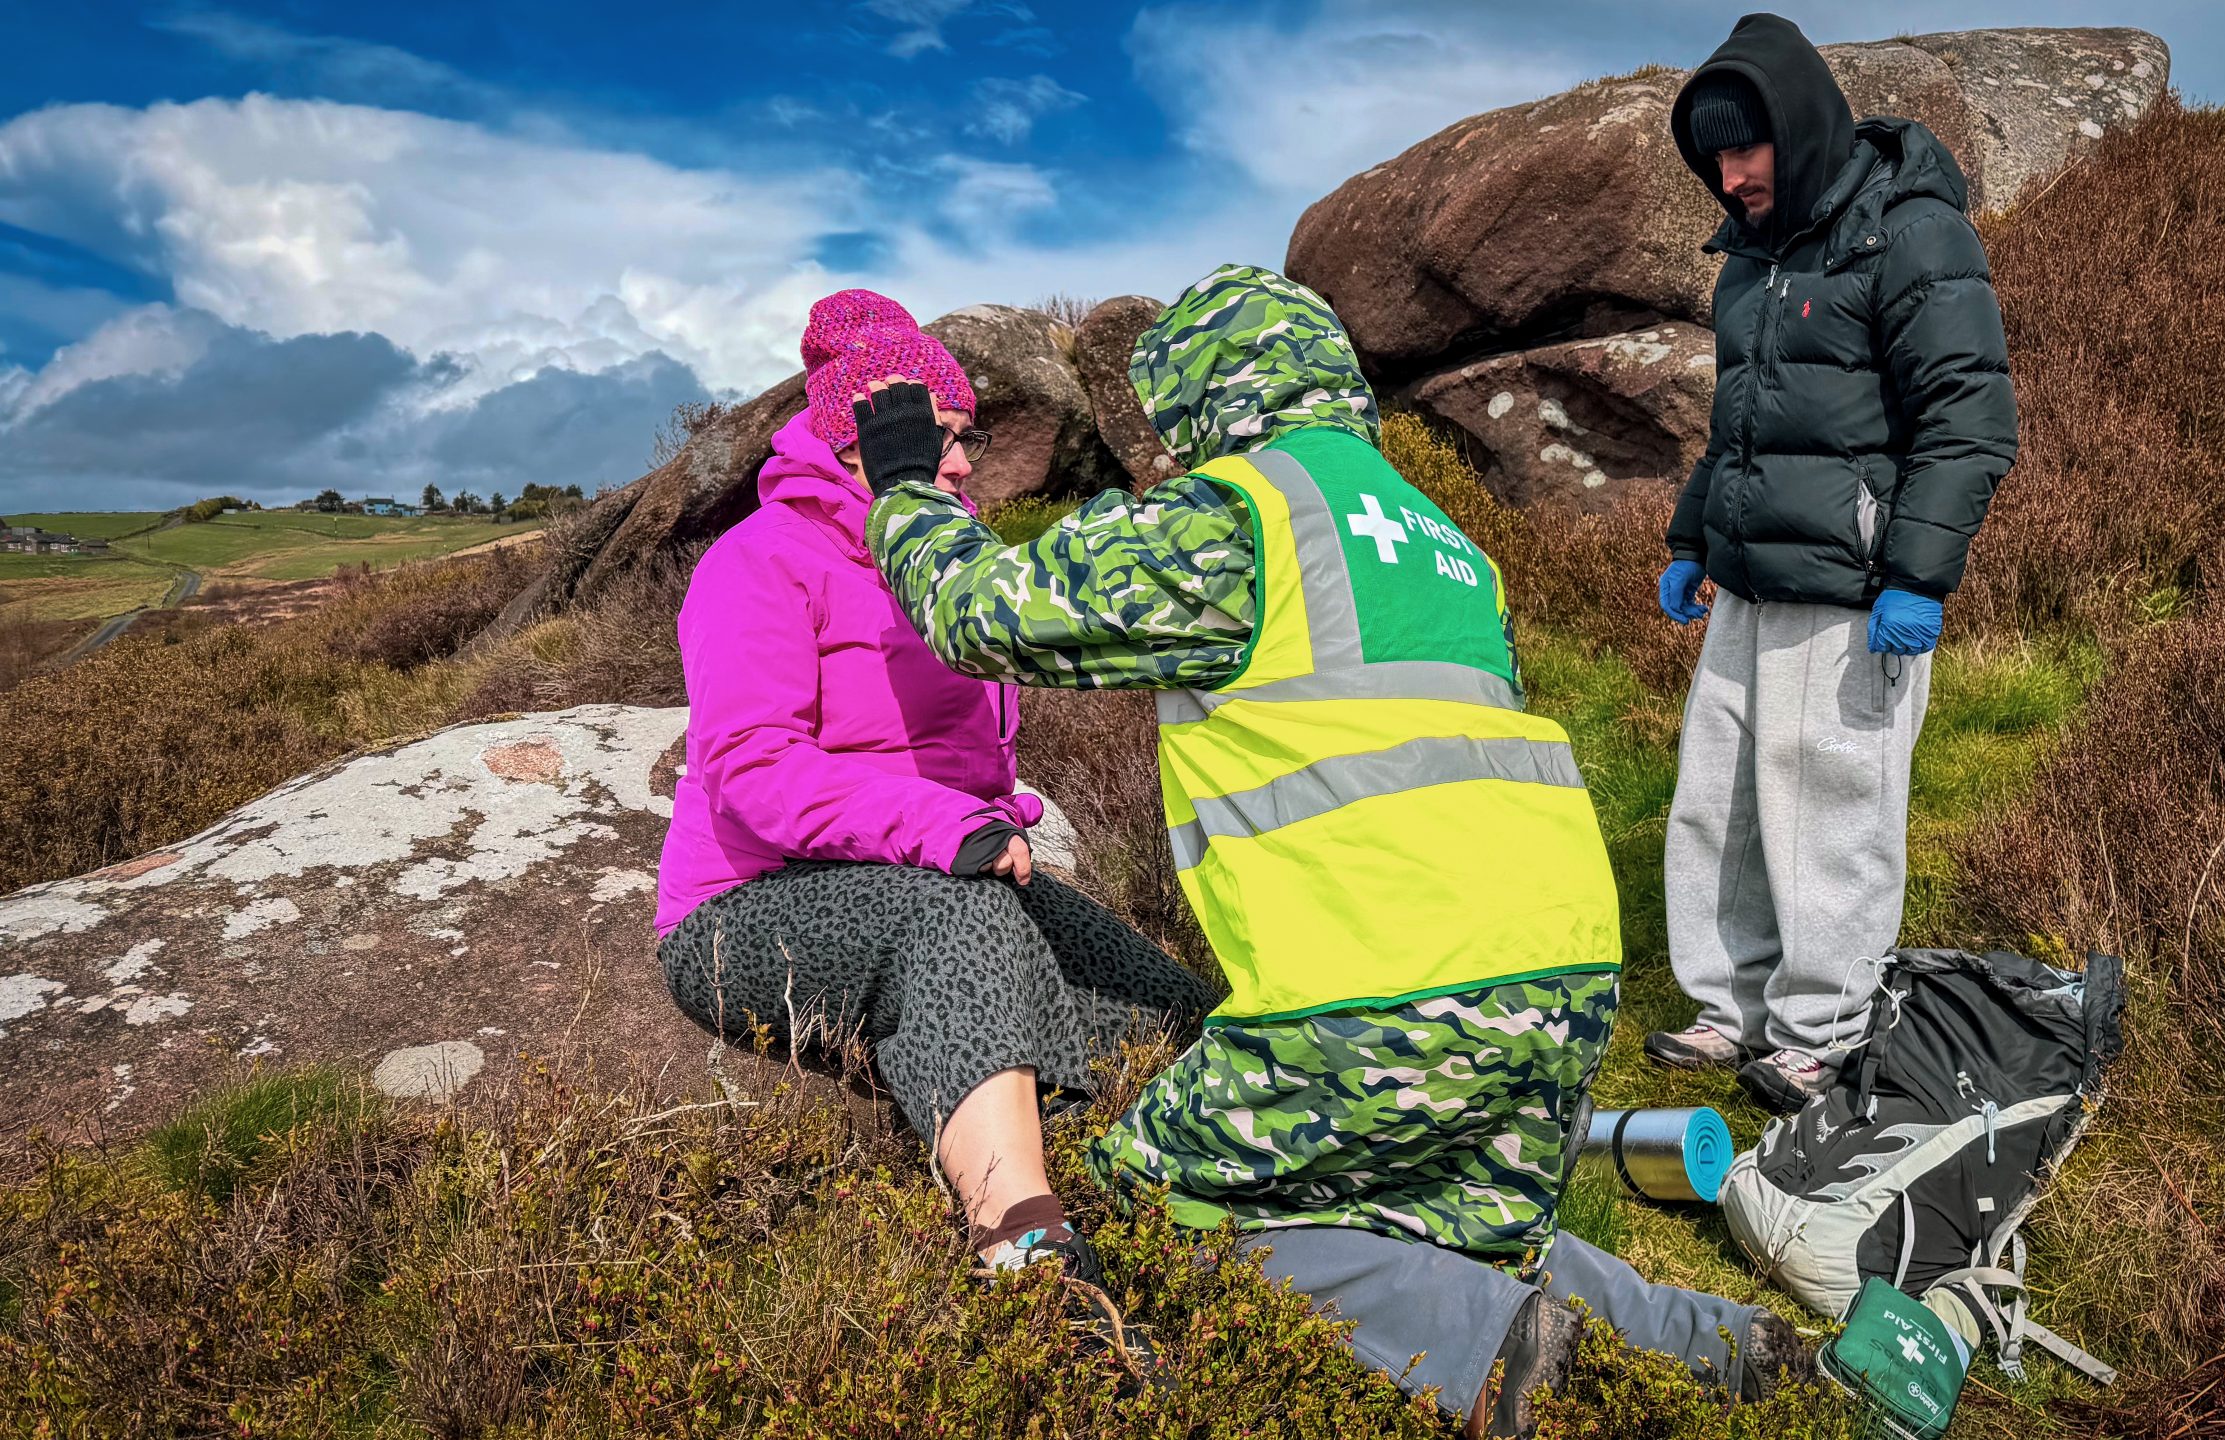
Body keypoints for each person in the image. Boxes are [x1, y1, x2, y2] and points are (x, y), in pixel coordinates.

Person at [859, 264, 1811, 1436]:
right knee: (1453, 1226)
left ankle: (1494, 1355)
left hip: (1377, 1003)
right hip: (1562, 993)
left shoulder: (1231, 518)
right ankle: (1710, 1343)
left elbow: (977, 612)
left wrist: (904, 485)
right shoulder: (1449, 544)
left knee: (1141, 1208)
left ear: (1212, 398)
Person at [652, 289, 1212, 1299]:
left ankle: (1183, 1229)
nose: (960, 462)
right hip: (742, 913)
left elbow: (956, 745)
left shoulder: (949, 562)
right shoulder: (758, 562)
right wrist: (943, 824)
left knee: (1165, 1007)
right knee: (962, 924)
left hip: (919, 867)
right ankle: (1028, 1258)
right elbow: (751, 767)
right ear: (855, 442)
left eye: (967, 436)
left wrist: (1000, 809)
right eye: (936, 438)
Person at [1645, 14, 2019, 1115]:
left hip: (1854, 594)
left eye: (1744, 148)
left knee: (1829, 807)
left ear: (1799, 129)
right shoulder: (1749, 263)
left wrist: (1915, 575)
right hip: (1750, 584)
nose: (1729, 175)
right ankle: (1731, 1006)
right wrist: (1689, 539)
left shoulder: (1908, 233)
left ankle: (1822, 1027)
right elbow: (1740, 426)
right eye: (1713, 156)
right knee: (1717, 803)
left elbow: (1969, 415)